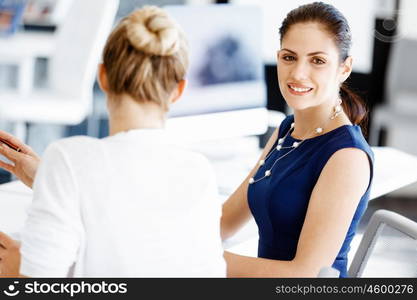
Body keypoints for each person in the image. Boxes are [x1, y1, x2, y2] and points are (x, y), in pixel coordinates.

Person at [0, 6, 225, 277]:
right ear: (178, 91)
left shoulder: (68, 158)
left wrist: (15, 273)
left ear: (103, 76)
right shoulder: (198, 170)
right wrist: (50, 182)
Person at [221, 2, 373, 278]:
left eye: (317, 60)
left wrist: (207, 261)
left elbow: (306, 274)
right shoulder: (288, 129)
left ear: (344, 68)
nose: (298, 73)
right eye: (289, 57)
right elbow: (226, 221)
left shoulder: (346, 156)